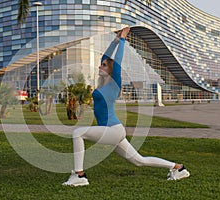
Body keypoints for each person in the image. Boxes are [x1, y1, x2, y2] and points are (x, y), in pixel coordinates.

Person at [62, 27, 190, 187]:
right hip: (112, 131)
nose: (100, 67)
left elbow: (117, 61)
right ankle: (178, 168)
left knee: (78, 133)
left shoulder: (115, 84)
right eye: (101, 65)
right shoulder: (103, 86)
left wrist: (122, 40)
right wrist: (115, 41)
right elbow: (106, 56)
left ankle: (79, 175)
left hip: (113, 130)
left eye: (103, 65)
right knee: (139, 161)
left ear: (110, 69)